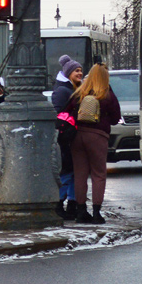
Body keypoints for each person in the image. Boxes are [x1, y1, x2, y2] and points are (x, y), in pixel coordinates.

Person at [69, 63, 120, 224]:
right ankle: (96, 212)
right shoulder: (107, 94)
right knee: (98, 174)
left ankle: (81, 211)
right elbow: (115, 117)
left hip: (78, 136)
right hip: (98, 137)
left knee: (80, 174)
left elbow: (69, 111)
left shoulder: (79, 93)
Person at [50, 55, 83, 219]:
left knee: (73, 171)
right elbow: (58, 113)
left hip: (70, 135)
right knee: (67, 172)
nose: (80, 73)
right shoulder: (63, 90)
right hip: (66, 137)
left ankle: (71, 203)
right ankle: (61, 203)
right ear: (68, 73)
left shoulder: (71, 88)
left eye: (81, 70)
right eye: (76, 70)